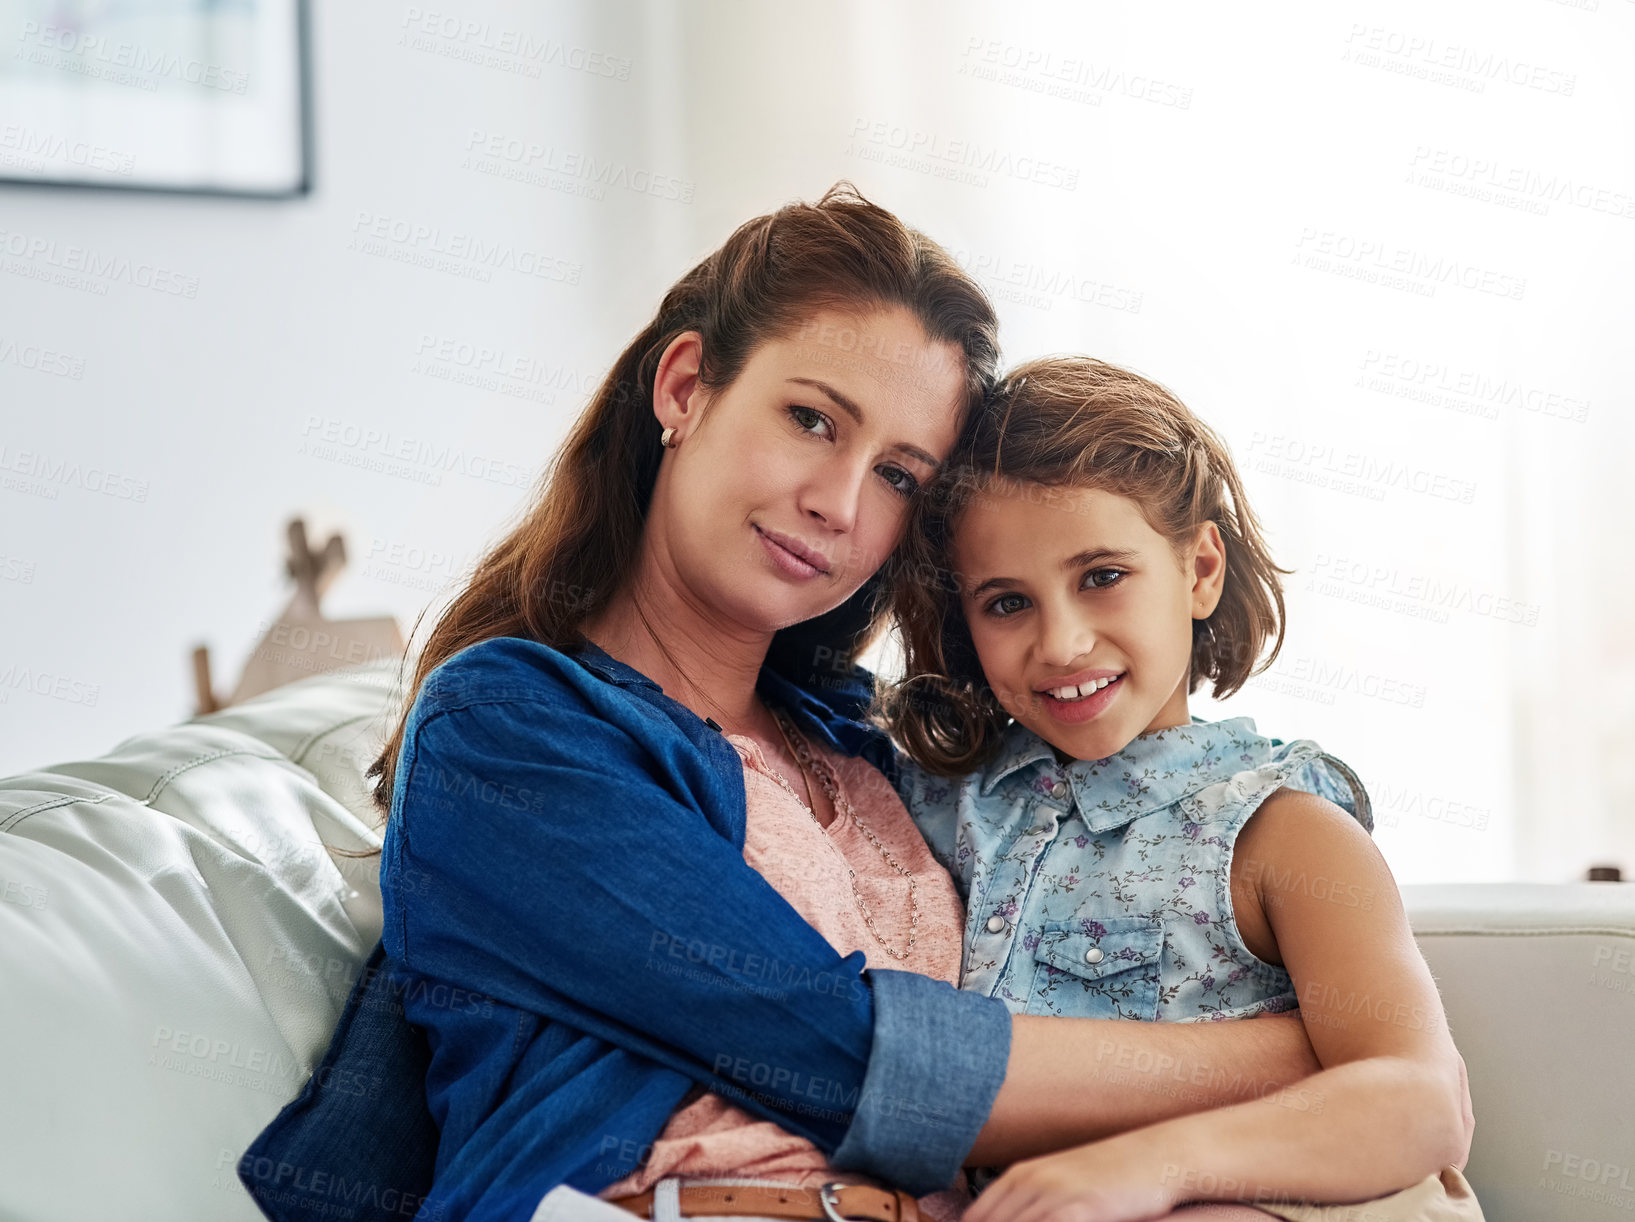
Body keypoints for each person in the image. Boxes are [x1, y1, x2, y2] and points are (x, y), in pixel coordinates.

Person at [363, 187, 1346, 1222]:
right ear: (686, 387)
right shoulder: (506, 732)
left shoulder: (866, 747)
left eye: (899, 475)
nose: (838, 502)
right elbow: (840, 1049)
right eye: (811, 420)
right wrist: (1304, 1046)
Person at [879, 356, 1482, 1220]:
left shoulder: (1280, 826)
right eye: (1007, 603)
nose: (1061, 642)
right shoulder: (948, 803)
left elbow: (1423, 1102)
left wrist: (1154, 1168)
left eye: (1100, 577)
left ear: (1199, 571)